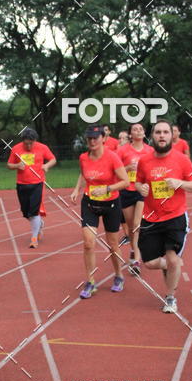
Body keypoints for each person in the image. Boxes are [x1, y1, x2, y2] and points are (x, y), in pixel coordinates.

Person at [135, 120, 192, 313]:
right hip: (151, 218)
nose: (162, 136)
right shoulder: (145, 161)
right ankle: (169, 266)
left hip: (175, 217)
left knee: (173, 259)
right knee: (149, 263)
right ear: (152, 136)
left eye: (165, 132)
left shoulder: (181, 159)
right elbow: (138, 183)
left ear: (172, 136)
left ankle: (170, 297)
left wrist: (179, 183)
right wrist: (142, 188)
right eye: (158, 132)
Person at [70, 124, 129, 298]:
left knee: (112, 244)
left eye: (96, 138)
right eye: (89, 138)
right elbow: (83, 174)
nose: (92, 141)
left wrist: (107, 189)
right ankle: (90, 281)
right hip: (90, 204)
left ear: (103, 139)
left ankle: (118, 275)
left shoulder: (112, 157)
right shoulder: (83, 157)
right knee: (88, 243)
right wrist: (76, 190)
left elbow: (125, 181)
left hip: (111, 204)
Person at [7, 127, 56, 249]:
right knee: (26, 213)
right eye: (26, 143)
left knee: (34, 212)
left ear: (35, 141)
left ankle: (34, 238)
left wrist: (47, 165)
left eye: (31, 143)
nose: (28, 146)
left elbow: (53, 159)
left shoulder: (42, 147)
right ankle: (39, 223)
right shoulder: (16, 149)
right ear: (22, 141)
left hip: (37, 183)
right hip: (22, 184)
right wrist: (17, 165)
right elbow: (9, 164)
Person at [117, 123, 153, 276]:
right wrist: (127, 169)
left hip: (142, 190)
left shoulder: (150, 150)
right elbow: (115, 170)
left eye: (140, 129)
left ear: (144, 133)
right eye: (134, 129)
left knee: (137, 224)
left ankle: (136, 260)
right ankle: (134, 248)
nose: (138, 131)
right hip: (126, 190)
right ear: (130, 134)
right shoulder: (122, 150)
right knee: (131, 227)